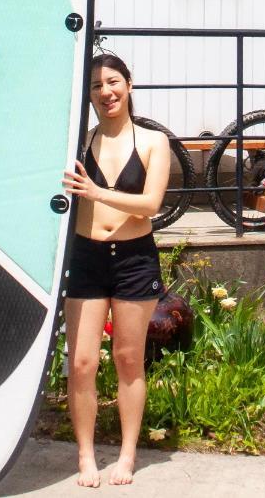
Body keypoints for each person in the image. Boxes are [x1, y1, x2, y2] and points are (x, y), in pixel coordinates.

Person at [62, 54, 171, 487]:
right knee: (83, 362)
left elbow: (151, 205)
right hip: (86, 257)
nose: (105, 92)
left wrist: (96, 191)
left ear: (128, 84)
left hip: (134, 260)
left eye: (112, 82)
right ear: (87, 95)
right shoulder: (78, 143)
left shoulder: (152, 142)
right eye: (95, 86)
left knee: (129, 360)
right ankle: (86, 456)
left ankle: (127, 456)